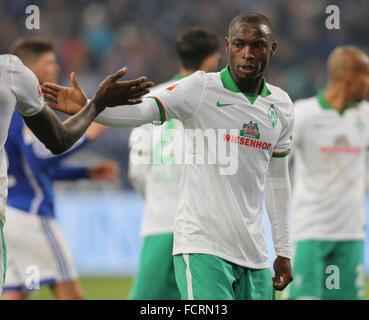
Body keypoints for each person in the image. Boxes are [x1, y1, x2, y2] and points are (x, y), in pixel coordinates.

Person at [43, 12, 294, 300]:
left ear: (272, 49)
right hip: (204, 247)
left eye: (258, 45)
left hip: (256, 253)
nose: (247, 54)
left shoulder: (281, 106)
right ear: (227, 46)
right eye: (239, 44)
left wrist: (283, 250)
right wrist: (89, 107)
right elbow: (141, 112)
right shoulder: (201, 88)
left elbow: (278, 181)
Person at [0, 43, 152, 294]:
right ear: (29, 68)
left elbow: (32, 167)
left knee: (15, 293)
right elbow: (44, 153)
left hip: (13, 212)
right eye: (49, 62)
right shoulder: (13, 86)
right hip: (31, 212)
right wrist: (95, 117)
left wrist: (82, 173)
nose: (56, 67)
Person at [128, 27, 220, 300]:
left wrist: (157, 198)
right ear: (210, 61)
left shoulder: (150, 98)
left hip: (160, 222)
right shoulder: (218, 101)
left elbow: (136, 171)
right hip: (204, 227)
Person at [283, 46, 369, 300]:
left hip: (351, 235)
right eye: (366, 76)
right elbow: (274, 161)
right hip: (311, 232)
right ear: (349, 77)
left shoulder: (365, 116)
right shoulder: (304, 114)